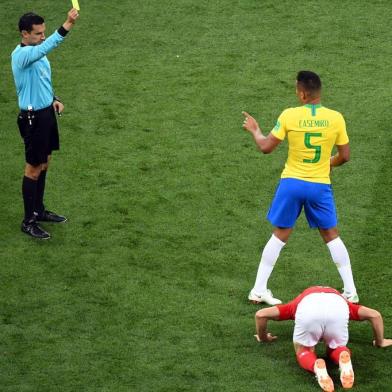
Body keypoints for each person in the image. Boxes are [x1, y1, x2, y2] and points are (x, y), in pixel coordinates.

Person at [242, 71, 358, 305]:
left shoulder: (289, 115)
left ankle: (258, 289)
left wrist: (255, 131)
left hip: (291, 184)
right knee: (331, 235)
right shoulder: (336, 118)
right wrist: (328, 163)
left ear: (303, 94)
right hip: (319, 186)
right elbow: (345, 156)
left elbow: (266, 147)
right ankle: (350, 290)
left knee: (280, 234)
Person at [11, 8, 79, 239]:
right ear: (24, 34)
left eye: (43, 33)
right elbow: (47, 47)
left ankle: (38, 210)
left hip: (46, 114)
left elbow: (43, 80)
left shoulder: (36, 54)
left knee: (45, 162)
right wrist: (67, 24)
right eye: (38, 33)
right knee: (33, 168)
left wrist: (54, 99)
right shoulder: (22, 55)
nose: (42, 36)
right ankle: (28, 221)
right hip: (32, 119)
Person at [254, 286, 392, 391]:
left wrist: (263, 337)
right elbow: (375, 315)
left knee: (303, 349)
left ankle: (316, 366)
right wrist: (380, 341)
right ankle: (342, 356)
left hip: (308, 311)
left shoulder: (296, 304)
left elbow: (261, 315)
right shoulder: (344, 302)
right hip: (338, 310)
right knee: (336, 347)